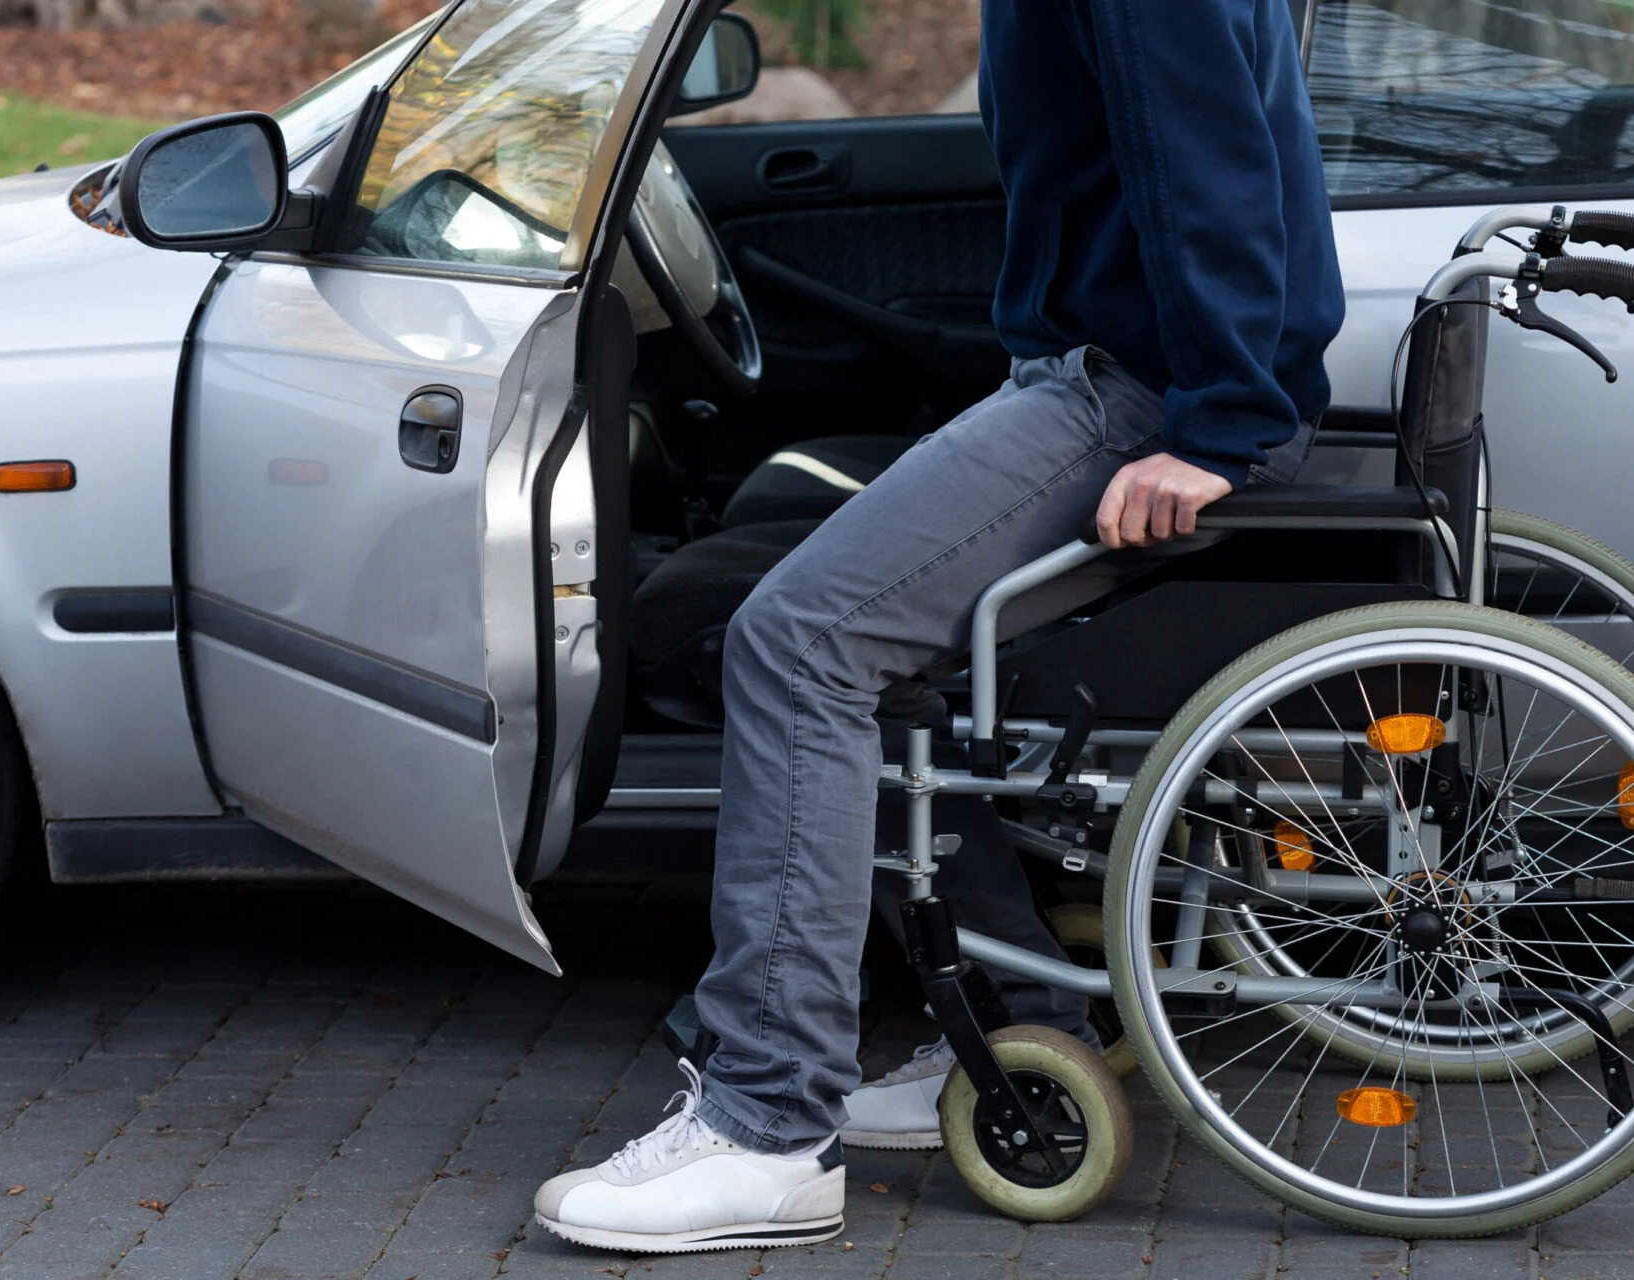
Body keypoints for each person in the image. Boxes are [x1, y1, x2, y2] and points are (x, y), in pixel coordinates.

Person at [534, 0, 1344, 1252]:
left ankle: (764, 1124)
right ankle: (1024, 1032)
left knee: (798, 643)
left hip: (1134, 398)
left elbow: (1212, 166)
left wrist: (1218, 425)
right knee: (865, 646)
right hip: (1100, 374)